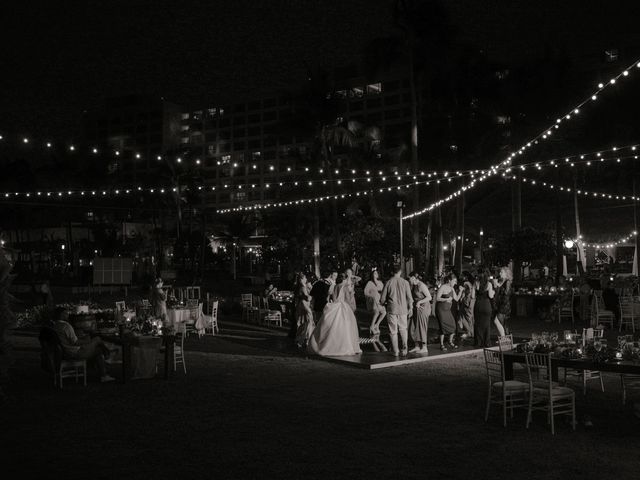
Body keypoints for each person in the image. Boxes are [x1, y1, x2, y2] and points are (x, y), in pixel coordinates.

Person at [51, 307, 115, 382]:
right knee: (97, 339)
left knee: (98, 349)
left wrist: (85, 339)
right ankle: (107, 356)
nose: (68, 315)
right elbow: (76, 342)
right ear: (61, 315)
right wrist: (87, 341)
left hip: (67, 351)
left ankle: (104, 370)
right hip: (75, 353)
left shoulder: (56, 325)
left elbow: (70, 339)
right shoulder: (66, 326)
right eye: (66, 313)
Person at [307, 274, 362, 356]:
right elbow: (347, 298)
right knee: (345, 328)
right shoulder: (345, 287)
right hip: (343, 307)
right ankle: (341, 346)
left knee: (333, 327)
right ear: (345, 279)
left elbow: (333, 298)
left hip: (335, 306)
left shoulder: (334, 286)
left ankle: (326, 345)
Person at [380, 265, 413, 356]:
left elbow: (382, 299)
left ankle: (396, 351)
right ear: (400, 272)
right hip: (403, 309)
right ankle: (404, 348)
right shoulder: (405, 282)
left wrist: (383, 303)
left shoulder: (388, 282)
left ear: (392, 272)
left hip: (392, 308)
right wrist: (411, 308)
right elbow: (409, 297)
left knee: (393, 331)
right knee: (403, 329)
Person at [435, 273, 461, 351]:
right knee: (442, 327)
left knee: (453, 325)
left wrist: (460, 291)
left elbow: (456, 299)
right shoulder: (443, 287)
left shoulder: (452, 289)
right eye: (454, 281)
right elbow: (437, 298)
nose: (455, 283)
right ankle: (442, 344)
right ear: (449, 280)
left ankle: (450, 342)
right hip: (441, 309)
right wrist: (446, 299)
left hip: (448, 310)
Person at [409, 272, 431, 354]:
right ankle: (417, 346)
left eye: (410, 278)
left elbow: (429, 297)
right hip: (417, 308)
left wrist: (419, 302)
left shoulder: (421, 285)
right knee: (415, 326)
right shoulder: (415, 285)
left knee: (422, 326)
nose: (409, 280)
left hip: (423, 308)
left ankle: (424, 347)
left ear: (414, 278)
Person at [474, 270, 495, 348]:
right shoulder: (489, 284)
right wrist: (493, 292)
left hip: (478, 304)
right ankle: (486, 342)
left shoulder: (476, 283)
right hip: (486, 305)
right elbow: (491, 296)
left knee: (478, 324)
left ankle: (478, 342)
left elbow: (473, 296)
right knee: (486, 324)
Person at [294, 273, 315, 348]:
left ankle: (303, 339)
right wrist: (311, 294)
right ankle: (303, 339)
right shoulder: (303, 287)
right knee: (307, 321)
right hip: (304, 305)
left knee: (305, 321)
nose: (306, 279)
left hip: (303, 305)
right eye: (305, 278)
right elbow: (307, 298)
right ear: (301, 279)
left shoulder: (303, 286)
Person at [364, 268, 386, 336]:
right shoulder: (369, 283)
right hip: (372, 301)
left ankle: (377, 325)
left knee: (384, 312)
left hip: (379, 301)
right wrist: (372, 296)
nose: (375, 275)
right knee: (376, 312)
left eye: (376, 273)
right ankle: (372, 326)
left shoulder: (380, 282)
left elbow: (383, 291)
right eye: (374, 273)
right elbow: (365, 292)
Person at [493, 266, 513, 337]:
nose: (500, 273)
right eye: (500, 272)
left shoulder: (507, 282)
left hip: (505, 305)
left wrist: (498, 285)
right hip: (501, 303)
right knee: (503, 323)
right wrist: (496, 286)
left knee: (497, 320)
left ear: (506, 273)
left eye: (502, 272)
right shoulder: (502, 281)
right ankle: (506, 338)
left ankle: (503, 337)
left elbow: (506, 293)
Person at [458, 272, 476, 339]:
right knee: (470, 318)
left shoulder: (465, 283)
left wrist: (462, 297)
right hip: (472, 301)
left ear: (465, 277)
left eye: (462, 275)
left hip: (467, 301)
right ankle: (471, 332)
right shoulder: (471, 283)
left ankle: (469, 332)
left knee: (464, 317)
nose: (461, 276)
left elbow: (466, 292)